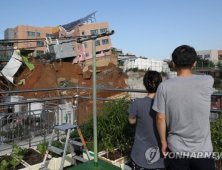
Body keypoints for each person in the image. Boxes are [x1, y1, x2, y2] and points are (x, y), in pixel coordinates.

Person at [153, 45, 215, 170]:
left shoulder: (164, 87)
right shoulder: (208, 80)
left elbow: (160, 117)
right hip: (203, 151)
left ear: (173, 64)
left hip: (177, 150)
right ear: (194, 64)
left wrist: (163, 142)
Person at [128, 70, 167, 170]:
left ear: (145, 84)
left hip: (140, 157)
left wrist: (134, 109)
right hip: (162, 158)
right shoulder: (166, 104)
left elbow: (131, 121)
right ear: (160, 84)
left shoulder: (137, 103)